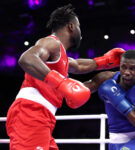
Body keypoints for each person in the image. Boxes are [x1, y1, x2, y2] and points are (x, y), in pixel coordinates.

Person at [6, 3, 124, 150]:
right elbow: (27, 59)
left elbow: (80, 66)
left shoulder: (61, 56)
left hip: (43, 118)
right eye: (79, 26)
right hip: (30, 114)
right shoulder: (51, 42)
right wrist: (61, 83)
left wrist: (107, 61)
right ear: (71, 26)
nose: (80, 32)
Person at [84, 49, 135, 150]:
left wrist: (119, 101)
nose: (127, 72)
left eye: (132, 68)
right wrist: (61, 81)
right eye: (123, 67)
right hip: (115, 141)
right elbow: (77, 90)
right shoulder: (106, 78)